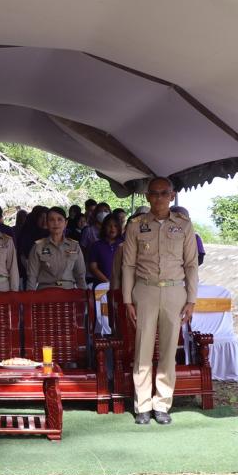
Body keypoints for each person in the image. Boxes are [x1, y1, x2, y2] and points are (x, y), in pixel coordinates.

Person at [119, 177, 198, 425]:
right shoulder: (136, 225)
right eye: (154, 193)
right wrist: (127, 300)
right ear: (147, 197)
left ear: (172, 196)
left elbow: (191, 265)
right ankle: (142, 405)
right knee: (142, 348)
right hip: (145, 290)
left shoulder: (184, 225)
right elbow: (128, 265)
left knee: (167, 350)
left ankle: (162, 403)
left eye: (164, 193)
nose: (159, 198)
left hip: (175, 292)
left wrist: (192, 300)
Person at [26, 207, 86, 290]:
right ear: (47, 223)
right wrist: (31, 300)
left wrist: (84, 298)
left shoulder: (74, 246)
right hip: (45, 292)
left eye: (59, 219)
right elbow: (32, 277)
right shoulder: (38, 247)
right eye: (51, 220)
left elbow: (80, 276)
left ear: (66, 223)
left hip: (69, 292)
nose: (56, 223)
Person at [86, 213, 124, 286]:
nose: (112, 228)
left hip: (121, 286)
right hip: (101, 286)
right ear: (104, 227)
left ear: (119, 228)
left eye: (115, 226)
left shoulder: (124, 245)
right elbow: (93, 267)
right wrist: (107, 282)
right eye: (109, 226)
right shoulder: (96, 245)